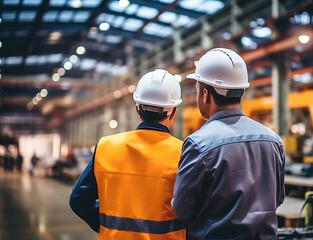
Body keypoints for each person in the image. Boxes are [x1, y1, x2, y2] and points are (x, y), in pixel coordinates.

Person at [171, 48, 286, 240]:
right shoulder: (273, 140)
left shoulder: (199, 143)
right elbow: (278, 198)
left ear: (205, 94)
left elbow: (182, 209)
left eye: (198, 91)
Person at [69, 69, 186, 240]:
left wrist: (104, 225)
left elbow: (78, 200)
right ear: (173, 111)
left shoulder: (106, 146)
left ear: (137, 109)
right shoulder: (184, 152)